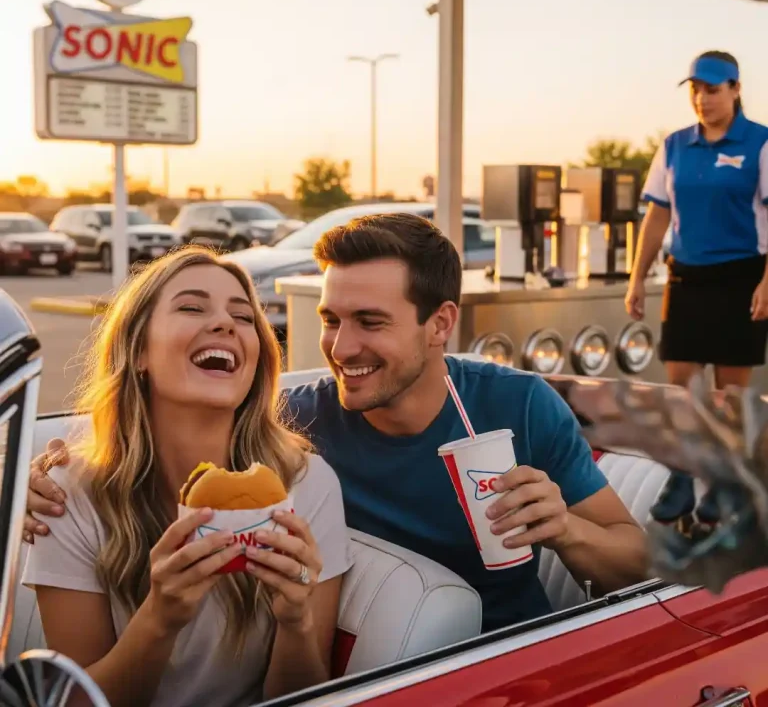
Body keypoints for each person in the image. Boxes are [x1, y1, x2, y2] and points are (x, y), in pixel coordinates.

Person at [27, 215, 647, 634]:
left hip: (516, 660)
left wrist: (565, 529)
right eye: (330, 318)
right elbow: (170, 432)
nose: (341, 347)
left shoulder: (520, 406)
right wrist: (41, 475)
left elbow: (634, 560)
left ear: (439, 324)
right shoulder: (295, 425)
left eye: (370, 322)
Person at [21, 248, 351, 707]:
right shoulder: (66, 493)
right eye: (192, 307)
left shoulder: (307, 484)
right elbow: (72, 702)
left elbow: (305, 698)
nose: (226, 324)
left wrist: (297, 621)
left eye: (243, 316)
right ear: (138, 351)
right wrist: (160, 618)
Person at [625, 51, 768, 525]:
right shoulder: (675, 145)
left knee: (730, 396)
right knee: (682, 388)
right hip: (685, 277)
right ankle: (684, 476)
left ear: (735, 89)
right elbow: (658, 215)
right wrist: (637, 277)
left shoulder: (760, 143)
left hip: (740, 278)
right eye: (696, 90)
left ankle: (726, 484)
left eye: (712, 89)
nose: (703, 99)